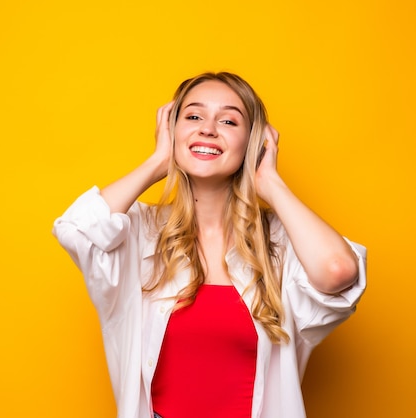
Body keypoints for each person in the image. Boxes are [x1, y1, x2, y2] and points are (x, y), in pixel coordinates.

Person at [52, 71, 367, 418]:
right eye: (193, 116)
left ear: (253, 141)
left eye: (229, 120)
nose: (207, 128)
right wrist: (158, 161)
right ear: (171, 131)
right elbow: (76, 230)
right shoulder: (140, 232)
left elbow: (338, 272)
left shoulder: (279, 242)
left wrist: (271, 183)